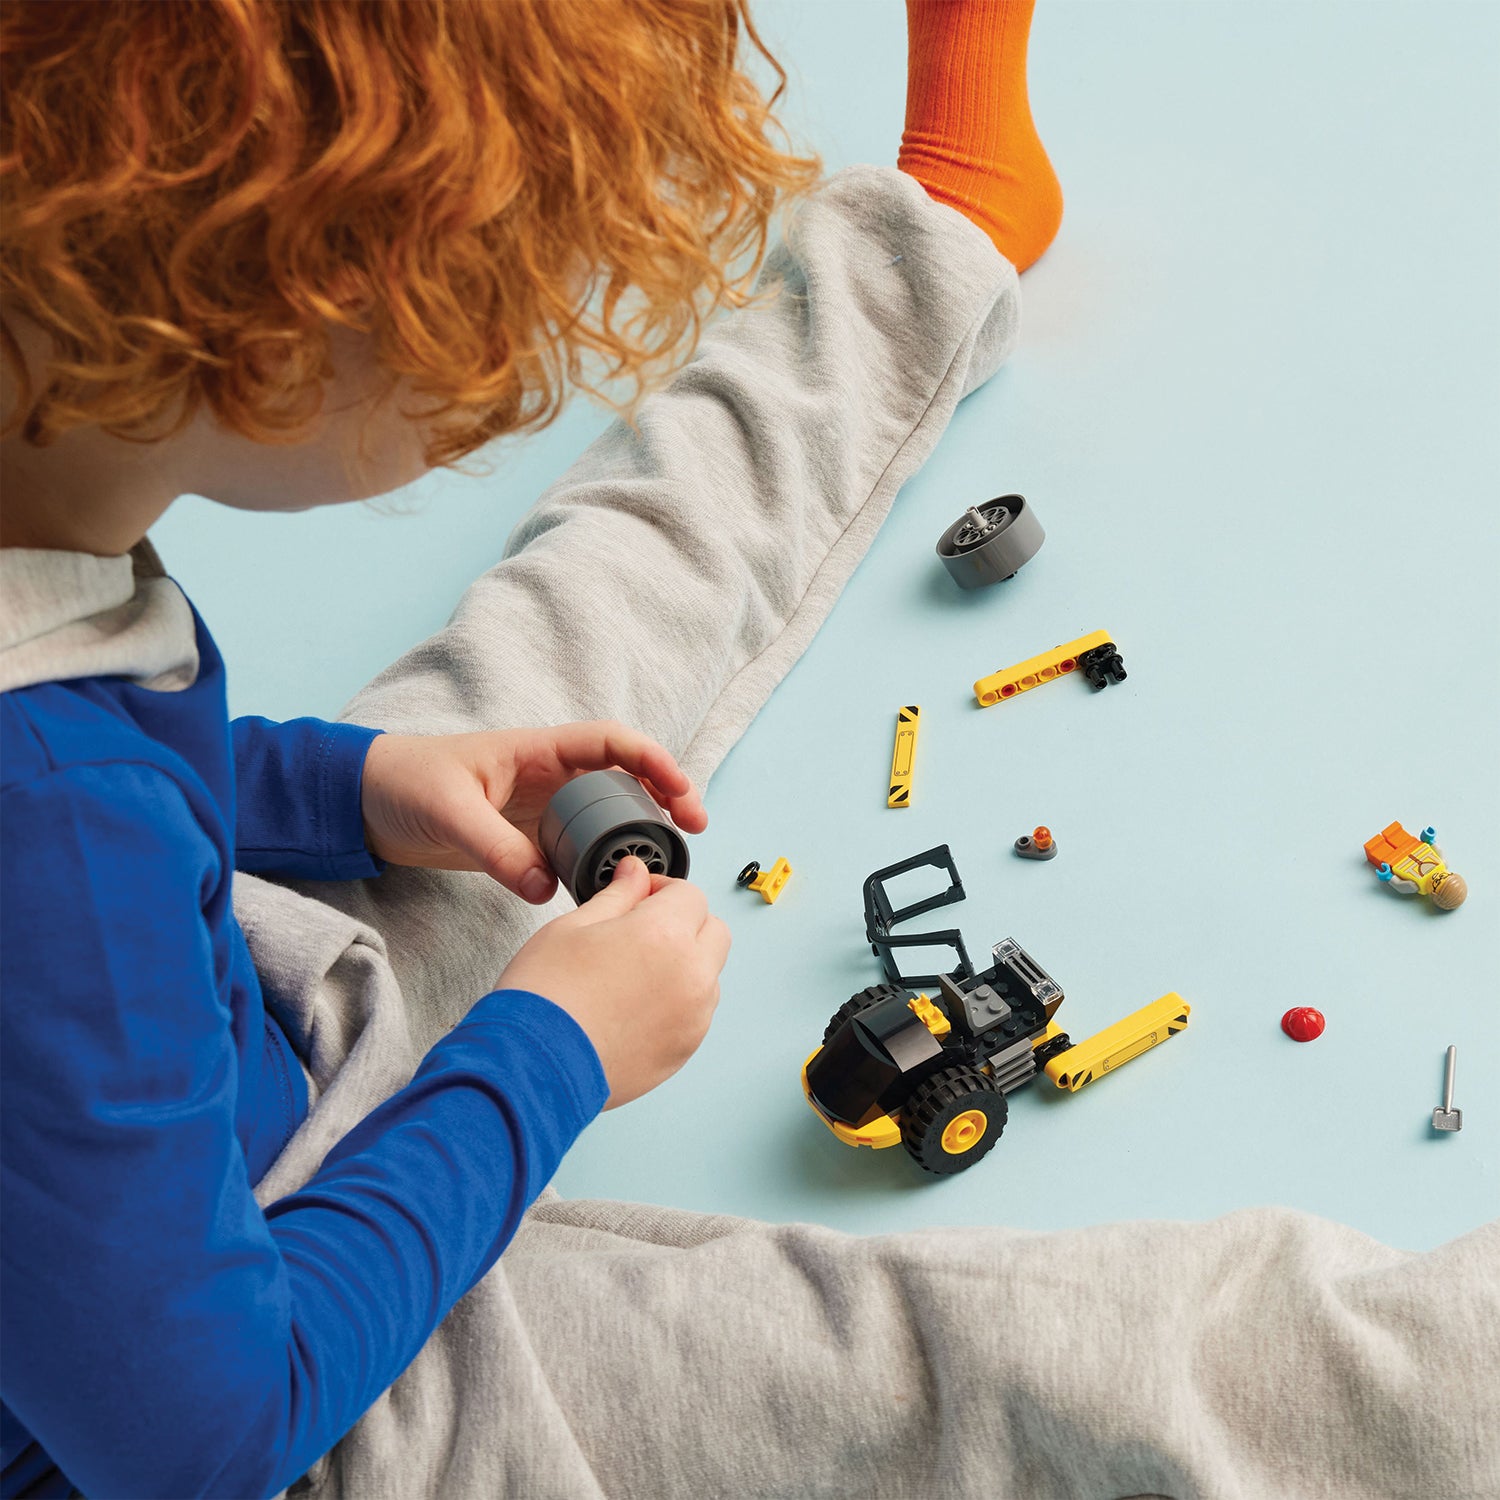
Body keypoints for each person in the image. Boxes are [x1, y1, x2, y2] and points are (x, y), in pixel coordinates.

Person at [2, 3, 1494, 1498]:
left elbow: (104, 835)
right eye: (470, 319)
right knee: (995, 1363)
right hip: (274, 1387)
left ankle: (931, 249)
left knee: (583, 630)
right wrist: (550, 1055)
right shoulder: (61, 836)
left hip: (214, 1030)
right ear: (251, 331)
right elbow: (197, 1436)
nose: (504, 381)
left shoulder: (48, 552)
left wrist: (340, 788)